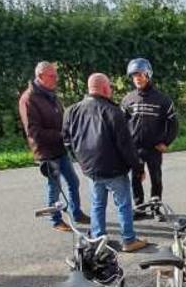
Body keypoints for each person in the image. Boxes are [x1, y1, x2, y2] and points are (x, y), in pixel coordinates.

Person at [63, 73, 148, 253]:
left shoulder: (72, 111)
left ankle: (98, 239)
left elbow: (67, 141)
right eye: (109, 86)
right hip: (114, 169)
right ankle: (128, 239)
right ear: (104, 88)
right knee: (123, 204)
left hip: (91, 169)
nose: (111, 89)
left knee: (97, 204)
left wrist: (80, 161)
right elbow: (126, 146)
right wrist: (138, 168)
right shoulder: (113, 112)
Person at [19, 61, 88, 232]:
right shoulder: (29, 99)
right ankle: (55, 220)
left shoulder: (50, 94)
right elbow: (33, 132)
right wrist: (60, 135)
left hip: (60, 148)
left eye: (56, 75)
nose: (56, 79)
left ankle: (76, 212)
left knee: (73, 181)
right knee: (54, 186)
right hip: (46, 151)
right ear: (40, 76)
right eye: (52, 76)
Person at [120, 58, 178, 218]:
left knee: (156, 178)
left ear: (148, 75)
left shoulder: (163, 100)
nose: (137, 78)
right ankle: (139, 208)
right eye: (134, 76)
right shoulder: (128, 99)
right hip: (134, 148)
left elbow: (173, 124)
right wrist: (124, 145)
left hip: (154, 148)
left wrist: (166, 142)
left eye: (140, 74)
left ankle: (155, 208)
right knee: (136, 178)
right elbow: (121, 125)